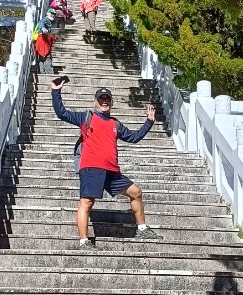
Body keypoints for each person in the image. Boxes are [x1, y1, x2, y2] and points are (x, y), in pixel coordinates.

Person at [51, 79, 162, 249]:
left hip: (111, 171)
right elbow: (62, 113)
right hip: (91, 168)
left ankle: (142, 229)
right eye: (101, 99)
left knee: (136, 192)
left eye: (107, 99)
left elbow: (133, 137)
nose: (104, 102)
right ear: (95, 102)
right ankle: (84, 242)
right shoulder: (86, 117)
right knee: (87, 203)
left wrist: (149, 122)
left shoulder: (115, 124)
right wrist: (56, 92)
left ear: (111, 103)